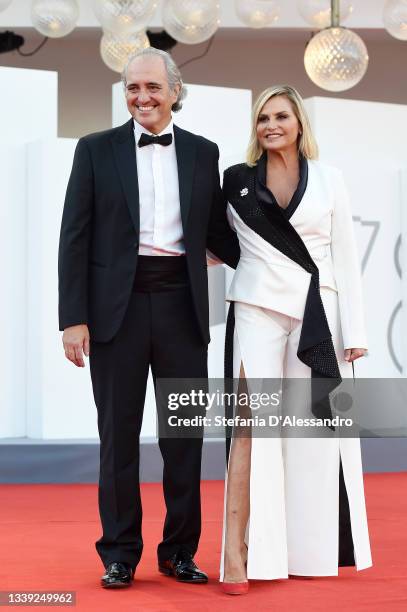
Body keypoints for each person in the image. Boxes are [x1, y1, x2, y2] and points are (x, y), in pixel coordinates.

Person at [58, 47, 239, 589]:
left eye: (152, 88)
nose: (142, 97)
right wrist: (73, 317)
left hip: (183, 309)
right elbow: (74, 238)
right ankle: (119, 553)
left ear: (174, 91)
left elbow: (218, 233)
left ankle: (180, 551)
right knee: (117, 438)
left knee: (182, 437)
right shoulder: (95, 150)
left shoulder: (204, 153)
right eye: (133, 88)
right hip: (116, 311)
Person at [219, 85, 372, 595]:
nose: (271, 125)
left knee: (313, 435)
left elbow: (347, 257)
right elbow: (218, 244)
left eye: (281, 115)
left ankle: (309, 551)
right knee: (254, 430)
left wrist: (356, 332)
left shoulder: (330, 180)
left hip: (318, 314)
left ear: (299, 122)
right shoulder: (237, 181)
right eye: (262, 118)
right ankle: (241, 557)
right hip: (258, 309)